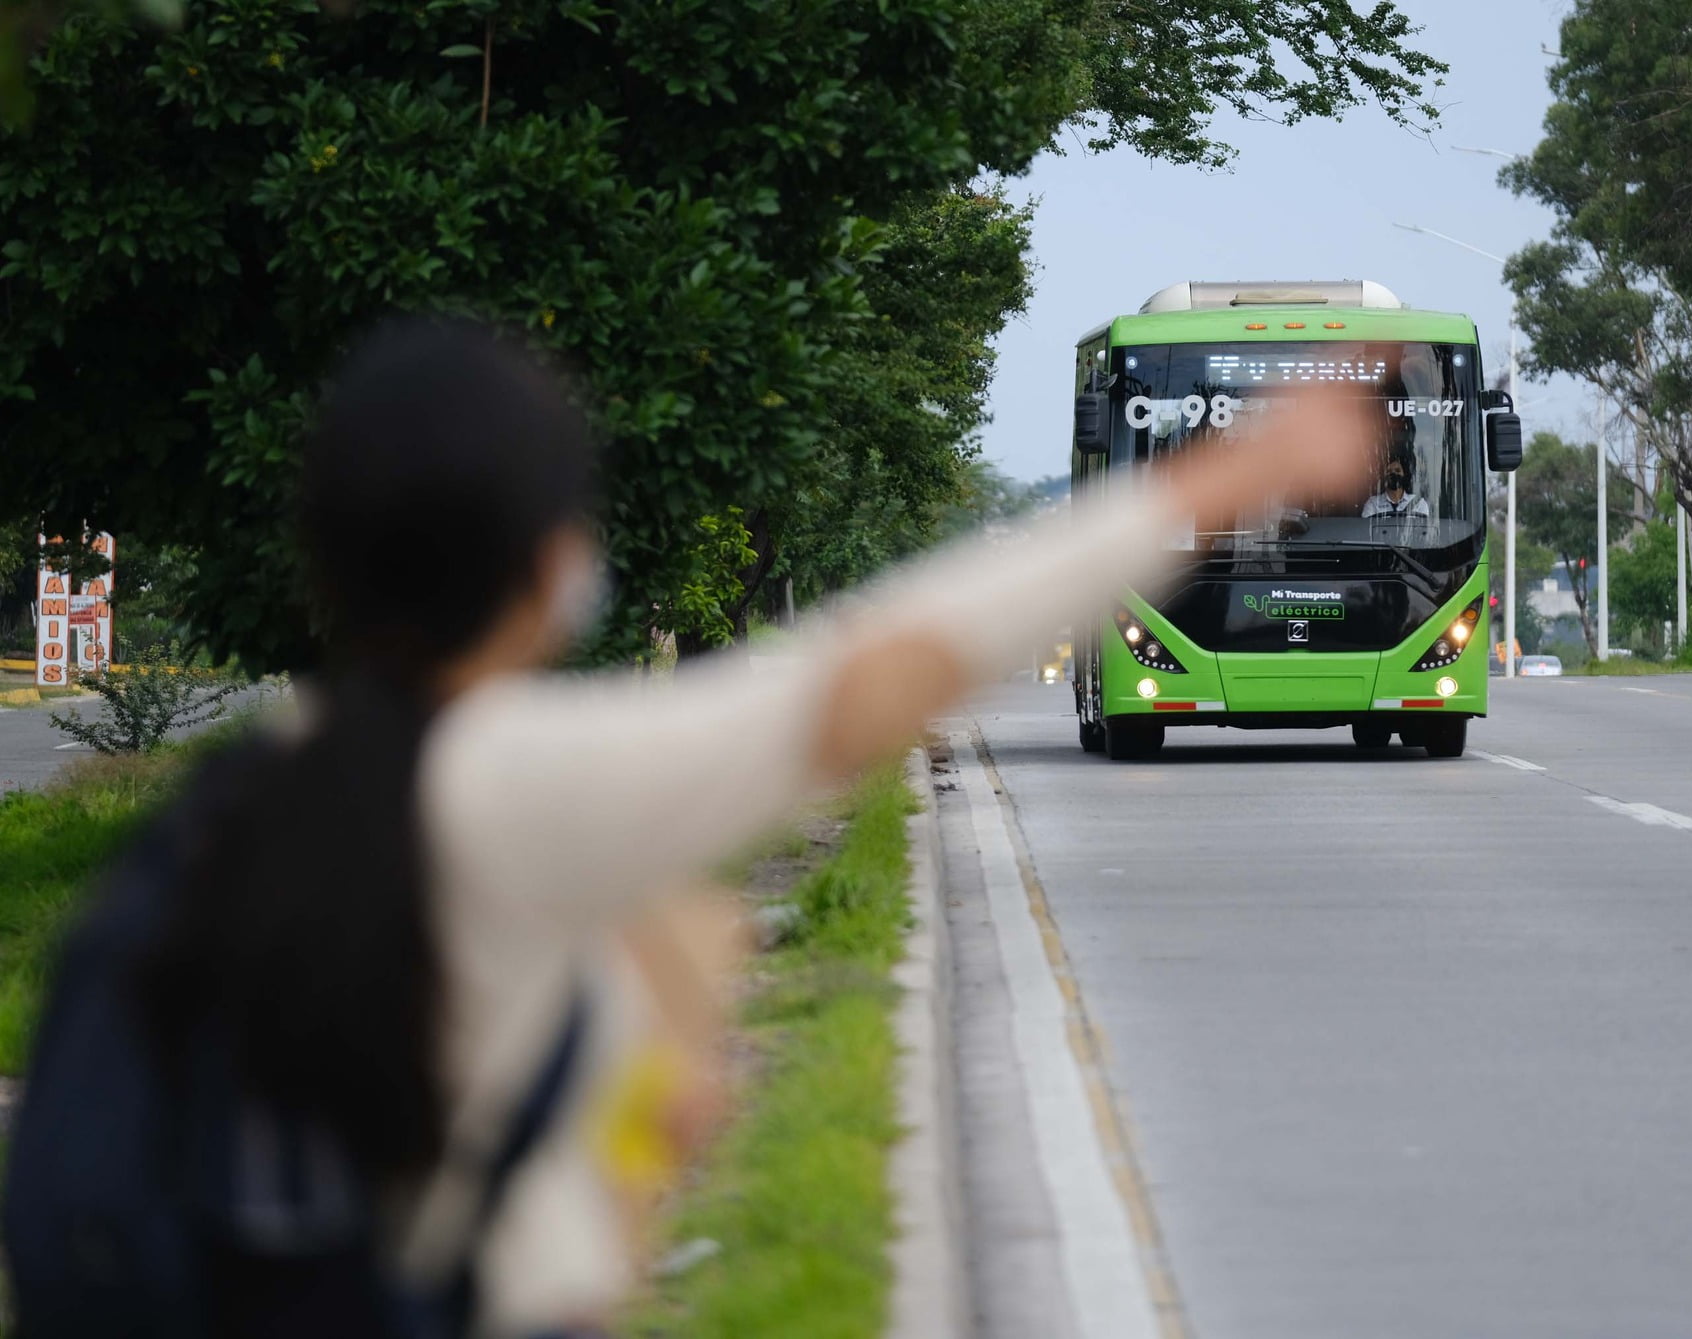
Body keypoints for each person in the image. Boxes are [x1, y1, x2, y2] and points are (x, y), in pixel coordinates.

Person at [2, 316, 1366, 1338]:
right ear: (545, 562)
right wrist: (1215, 483)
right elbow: (863, 679)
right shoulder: (517, 783)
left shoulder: (251, 789)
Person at [1361, 439, 1430, 519]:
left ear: (1404, 475)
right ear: (1383, 476)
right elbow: (1365, 529)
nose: (1393, 474)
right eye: (1389, 471)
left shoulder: (1419, 503)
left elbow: (1424, 530)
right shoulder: (1373, 503)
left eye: (1397, 470)